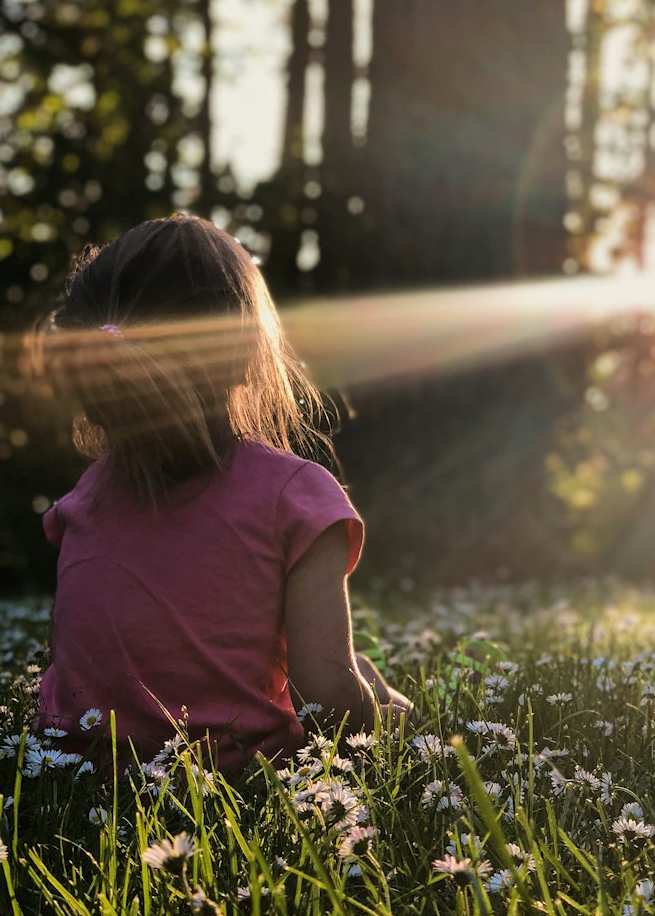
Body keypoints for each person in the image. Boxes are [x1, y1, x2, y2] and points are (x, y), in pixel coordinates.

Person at [31, 213, 411, 776]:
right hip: (238, 782)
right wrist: (388, 716)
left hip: (77, 775)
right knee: (363, 681)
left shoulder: (83, 501)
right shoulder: (295, 497)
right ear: (240, 352)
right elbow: (327, 701)